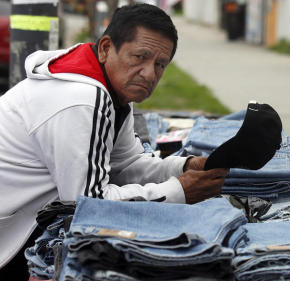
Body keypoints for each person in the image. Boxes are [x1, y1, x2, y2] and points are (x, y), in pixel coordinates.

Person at [0, 4, 228, 278]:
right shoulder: (83, 98)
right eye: (140, 57)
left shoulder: (107, 87)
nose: (149, 73)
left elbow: (125, 164)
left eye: (160, 64)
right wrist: (179, 192)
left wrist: (185, 167)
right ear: (106, 47)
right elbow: (89, 206)